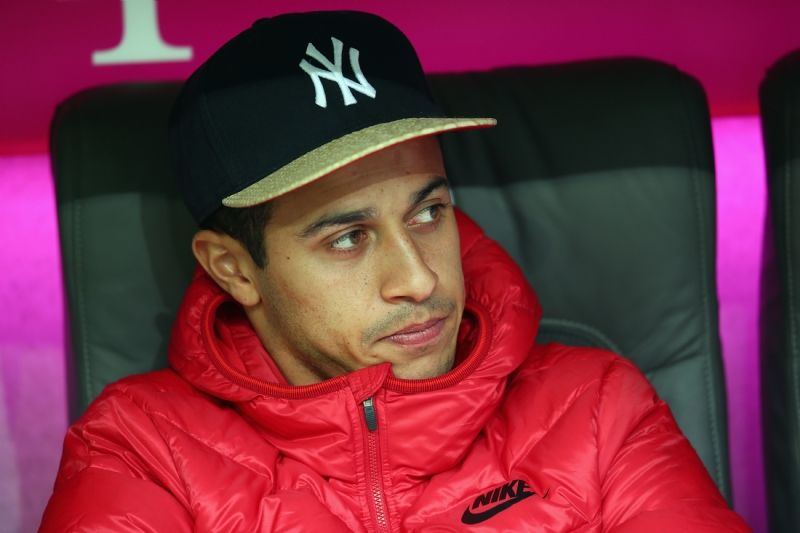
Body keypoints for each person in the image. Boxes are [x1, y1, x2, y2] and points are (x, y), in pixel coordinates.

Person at [40, 10, 749, 532]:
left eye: (428, 211)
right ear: (234, 269)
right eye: (348, 238)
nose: (419, 280)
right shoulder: (140, 449)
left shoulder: (598, 407)